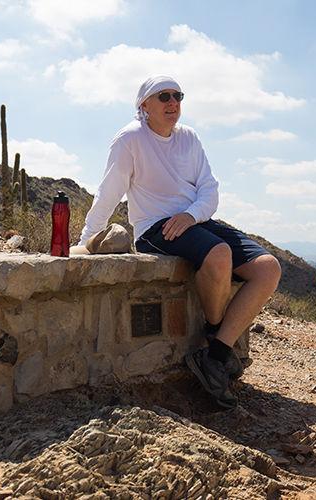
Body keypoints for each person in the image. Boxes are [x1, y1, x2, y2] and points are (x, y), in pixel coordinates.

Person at [78, 75, 281, 408]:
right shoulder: (130, 139)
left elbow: (209, 189)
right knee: (219, 254)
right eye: (163, 97)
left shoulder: (189, 138)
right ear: (144, 105)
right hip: (155, 228)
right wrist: (88, 239)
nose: (173, 103)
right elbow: (109, 191)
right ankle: (217, 337)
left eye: (177, 96)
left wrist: (191, 215)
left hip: (195, 220)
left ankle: (214, 355)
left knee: (267, 268)